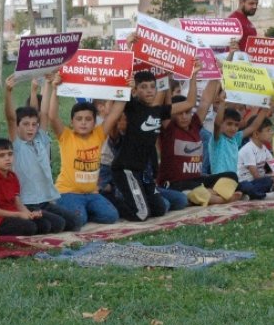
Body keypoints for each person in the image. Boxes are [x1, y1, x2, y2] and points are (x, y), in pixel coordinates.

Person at [107, 51, 202, 221]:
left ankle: (133, 198)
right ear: (135, 90)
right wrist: (128, 50)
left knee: (159, 208)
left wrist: (193, 75)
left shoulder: (159, 111)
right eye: (143, 87)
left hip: (143, 171)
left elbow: (189, 103)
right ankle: (110, 200)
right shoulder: (132, 106)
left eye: (152, 86)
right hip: (126, 169)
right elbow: (119, 91)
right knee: (141, 214)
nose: (149, 91)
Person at [5, 74, 82, 230]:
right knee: (56, 225)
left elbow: (44, 113)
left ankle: (42, 217)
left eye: (34, 124)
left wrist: (48, 83)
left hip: (44, 200)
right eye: (26, 124)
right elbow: (11, 118)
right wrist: (8, 92)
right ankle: (24, 219)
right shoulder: (17, 144)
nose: (31, 128)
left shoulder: (40, 138)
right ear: (18, 126)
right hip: (27, 202)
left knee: (75, 222)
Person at [46, 75, 125, 226]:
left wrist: (125, 88)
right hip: (68, 192)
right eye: (79, 119)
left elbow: (115, 114)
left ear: (95, 122)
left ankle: (82, 211)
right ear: (72, 122)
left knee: (111, 216)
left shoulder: (99, 134)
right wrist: (55, 90)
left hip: (92, 193)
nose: (83, 123)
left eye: (88, 119)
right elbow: (52, 117)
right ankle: (64, 207)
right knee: (78, 220)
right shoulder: (66, 136)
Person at [158, 83, 241, 204]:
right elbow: (164, 107)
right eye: (179, 113)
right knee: (190, 193)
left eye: (187, 112)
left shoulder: (195, 126)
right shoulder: (169, 129)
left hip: (196, 180)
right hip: (176, 184)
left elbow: (205, 101)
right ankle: (219, 198)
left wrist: (215, 75)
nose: (184, 117)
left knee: (231, 176)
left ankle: (207, 194)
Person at [0, 138, 64, 236]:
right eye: (1, 155)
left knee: (48, 225)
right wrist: (19, 214)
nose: (7, 158)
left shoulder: (12, 176)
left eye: (10, 154)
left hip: (12, 213)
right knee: (30, 227)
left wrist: (29, 214)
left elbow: (18, 203)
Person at [236, 118, 274, 199]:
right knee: (248, 186)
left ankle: (250, 196)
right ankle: (263, 196)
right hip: (245, 182)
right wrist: (271, 179)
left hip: (258, 182)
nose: (272, 133)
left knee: (272, 180)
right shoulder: (248, 149)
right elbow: (255, 175)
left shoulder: (264, 148)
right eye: (268, 130)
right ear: (256, 134)